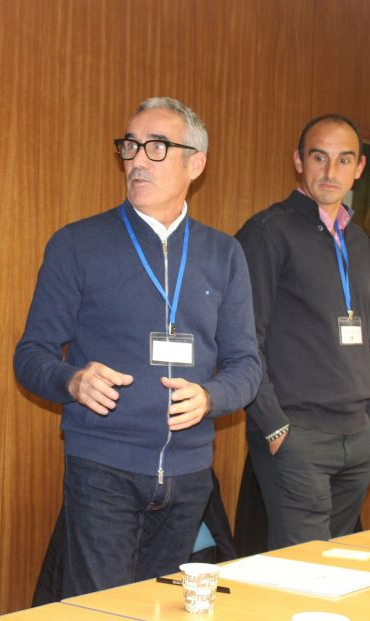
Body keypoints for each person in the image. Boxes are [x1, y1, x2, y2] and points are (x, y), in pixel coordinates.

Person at [14, 97, 261, 596]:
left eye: (156, 147)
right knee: (100, 607)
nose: (137, 160)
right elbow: (31, 354)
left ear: (196, 163)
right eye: (130, 146)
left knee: (157, 607)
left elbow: (247, 365)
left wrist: (212, 397)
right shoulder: (78, 244)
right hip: (103, 465)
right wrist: (72, 379)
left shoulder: (223, 253)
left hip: (190, 474)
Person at [235, 113, 370, 549]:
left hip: (357, 437)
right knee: (303, 569)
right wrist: (274, 426)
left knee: (334, 565)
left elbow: (368, 335)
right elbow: (244, 340)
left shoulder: (357, 241)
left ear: (359, 168)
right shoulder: (266, 232)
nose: (331, 172)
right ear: (299, 161)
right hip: (298, 436)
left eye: (343, 160)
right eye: (319, 157)